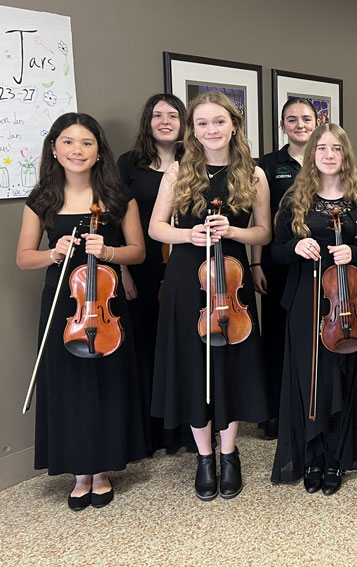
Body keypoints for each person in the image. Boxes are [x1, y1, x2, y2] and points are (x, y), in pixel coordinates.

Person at [16, 112, 147, 510]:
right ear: (54, 149)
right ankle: (79, 473)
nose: (78, 150)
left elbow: (138, 252)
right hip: (63, 304)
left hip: (105, 303)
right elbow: (23, 258)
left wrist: (107, 251)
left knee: (106, 382)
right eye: (69, 142)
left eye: (87, 143)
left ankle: (103, 469)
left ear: (99, 151)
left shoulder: (118, 196)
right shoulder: (42, 199)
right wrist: (52, 254)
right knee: (69, 384)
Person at [149, 90, 271, 501]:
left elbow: (264, 233)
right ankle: (204, 458)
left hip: (231, 279)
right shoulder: (178, 171)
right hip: (188, 276)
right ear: (193, 130)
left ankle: (229, 453)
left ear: (234, 125)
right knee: (193, 365)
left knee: (230, 363)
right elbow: (155, 228)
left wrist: (233, 232)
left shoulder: (253, 174)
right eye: (202, 123)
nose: (211, 129)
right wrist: (188, 234)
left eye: (218, 121)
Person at [270, 124, 357, 496]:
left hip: (347, 302)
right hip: (305, 298)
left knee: (343, 375)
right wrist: (295, 249)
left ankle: (337, 456)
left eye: (336, 148)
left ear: (345, 154)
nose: (329, 154)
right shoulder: (294, 200)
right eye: (322, 148)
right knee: (309, 377)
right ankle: (313, 455)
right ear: (311, 154)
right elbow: (275, 251)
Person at [118, 93, 189, 455]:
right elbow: (116, 221)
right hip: (143, 267)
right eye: (157, 115)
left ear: (182, 122)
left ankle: (188, 430)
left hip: (187, 266)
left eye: (173, 115)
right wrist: (124, 271)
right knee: (148, 345)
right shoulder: (128, 164)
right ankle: (155, 433)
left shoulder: (194, 162)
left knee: (186, 346)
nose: (165, 121)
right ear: (148, 121)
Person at [254, 98, 318, 439]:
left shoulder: (326, 157)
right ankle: (277, 411)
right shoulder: (268, 165)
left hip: (317, 262)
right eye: (292, 120)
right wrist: (255, 263)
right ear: (283, 126)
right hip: (279, 261)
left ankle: (311, 403)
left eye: (306, 119)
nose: (300, 125)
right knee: (278, 334)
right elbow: (259, 218)